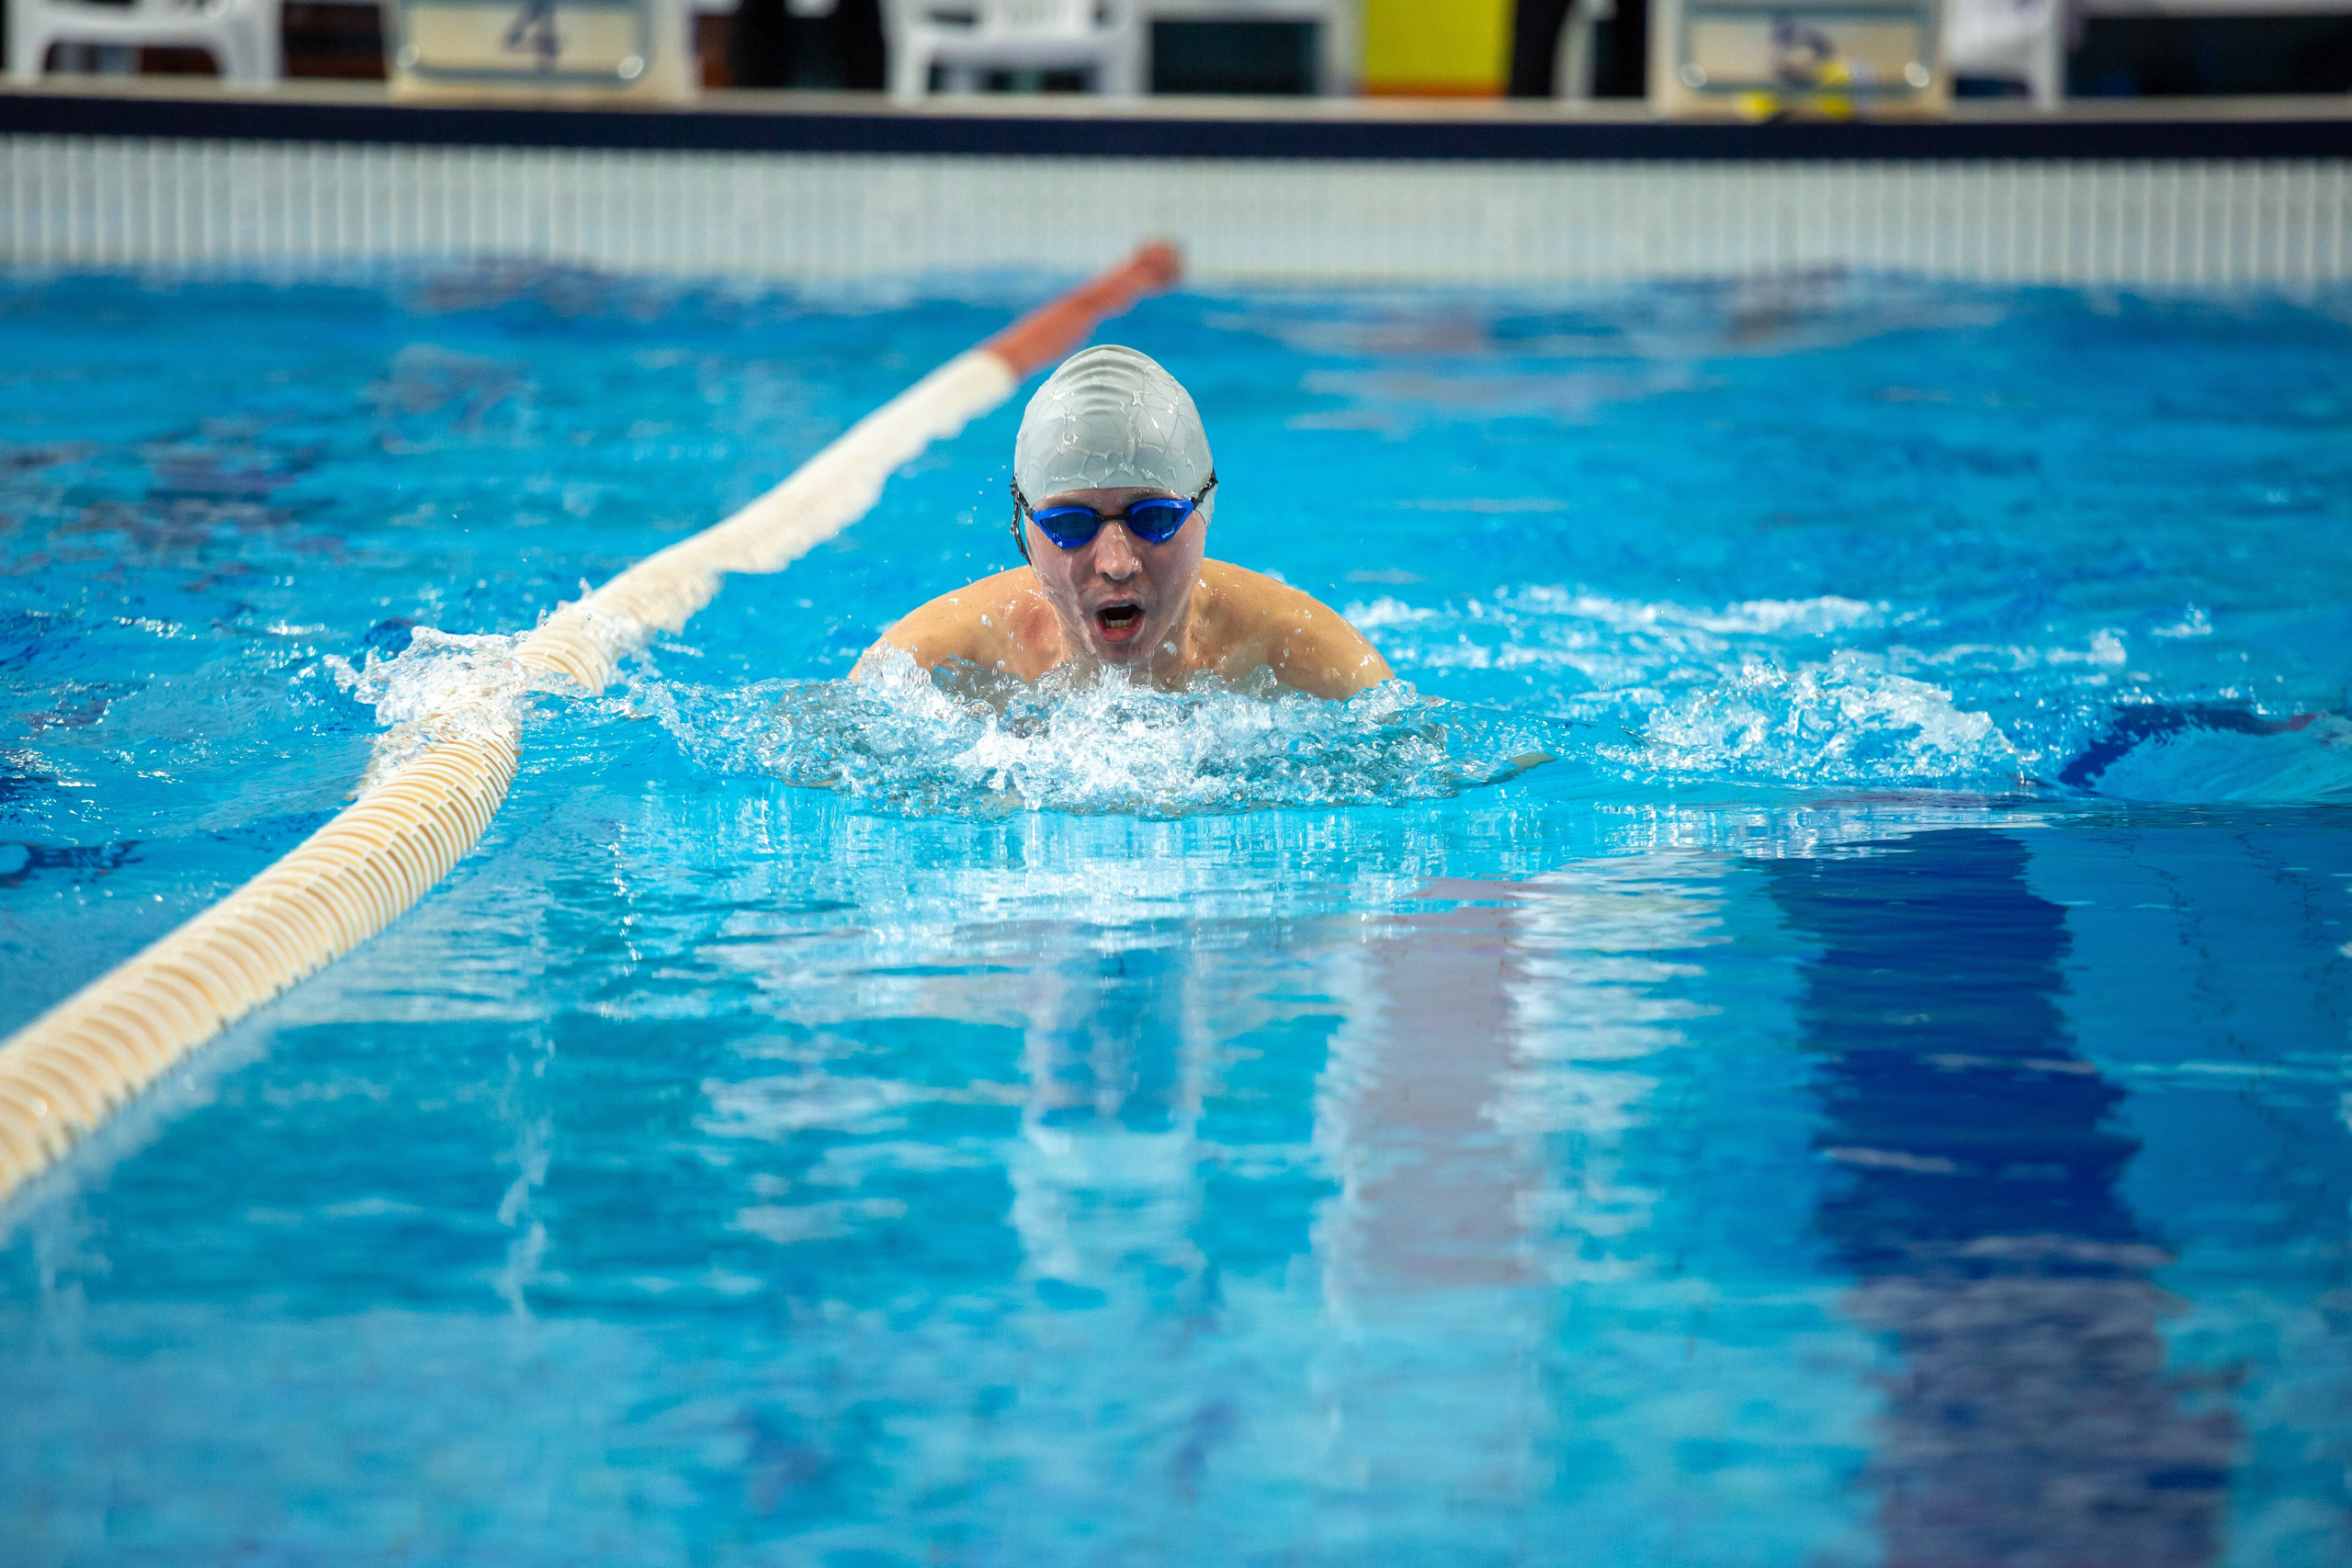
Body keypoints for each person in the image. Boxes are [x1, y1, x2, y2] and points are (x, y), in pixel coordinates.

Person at [855, 346, 1394, 701]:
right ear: (1023, 531)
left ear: (1203, 511)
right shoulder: (925, 671)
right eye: (1070, 525)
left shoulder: (1323, 672)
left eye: (1153, 517)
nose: (1116, 562)